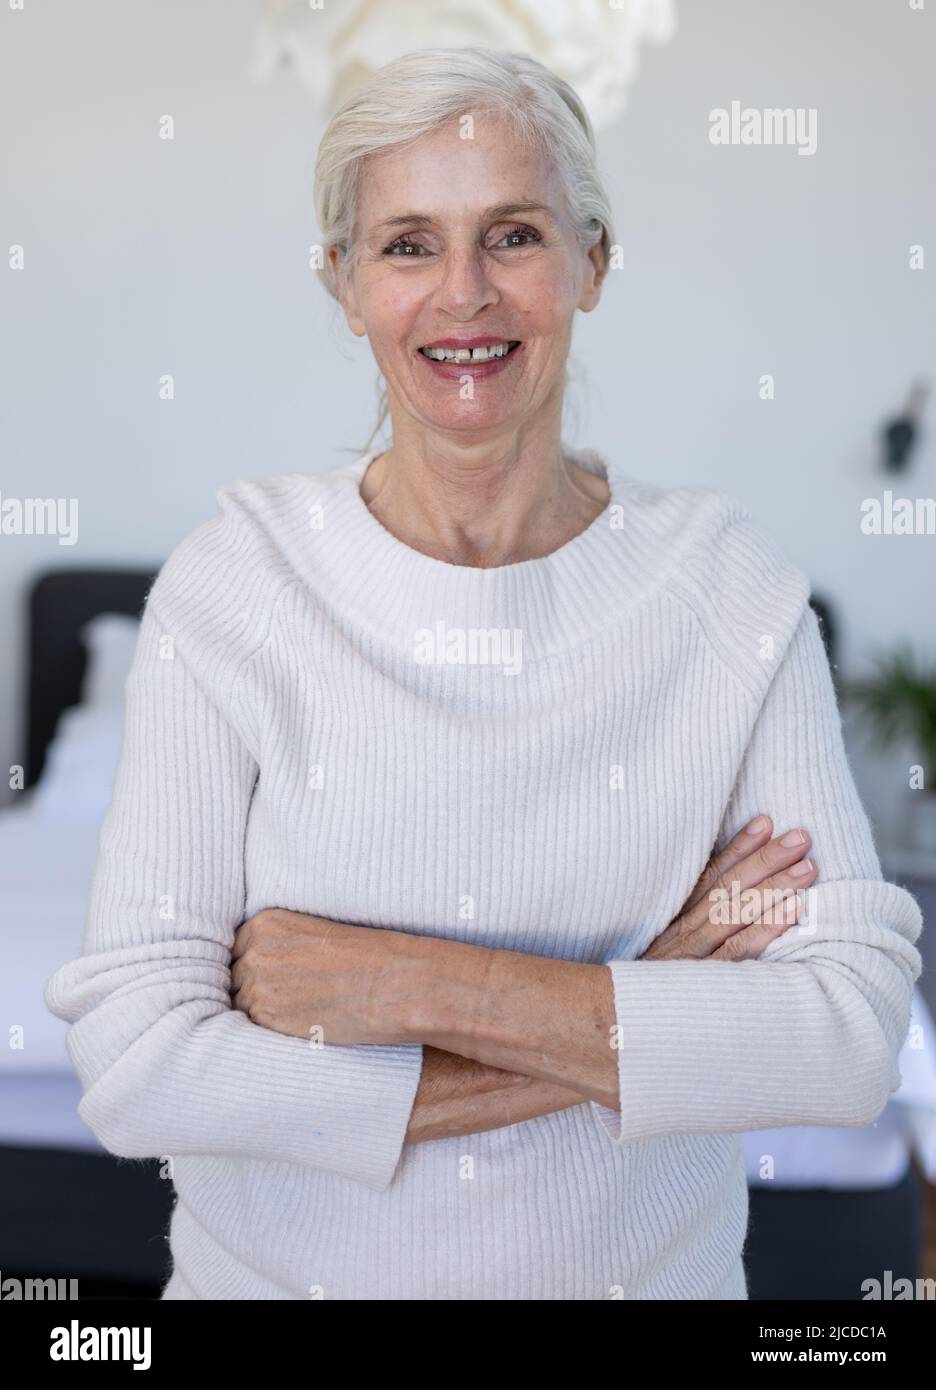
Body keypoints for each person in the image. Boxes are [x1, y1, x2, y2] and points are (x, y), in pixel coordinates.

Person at [44, 47, 923, 1301]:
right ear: (344, 284)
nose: (464, 295)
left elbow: (849, 1037)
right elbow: (139, 1069)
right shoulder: (234, 583)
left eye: (512, 234)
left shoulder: (729, 589)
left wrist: (408, 984)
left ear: (593, 264)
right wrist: (658, 990)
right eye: (408, 244)